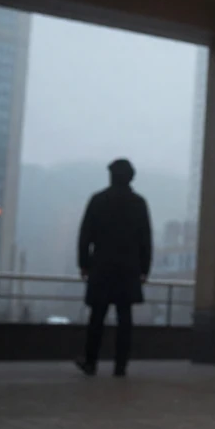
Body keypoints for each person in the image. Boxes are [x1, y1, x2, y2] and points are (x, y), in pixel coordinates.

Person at [75, 158, 153, 378]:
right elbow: (145, 239)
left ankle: (91, 362)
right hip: (128, 268)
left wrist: (84, 264)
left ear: (111, 176)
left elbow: (85, 236)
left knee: (97, 316)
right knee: (124, 317)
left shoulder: (98, 200)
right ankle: (121, 366)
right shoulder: (138, 203)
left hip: (101, 266)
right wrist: (144, 268)